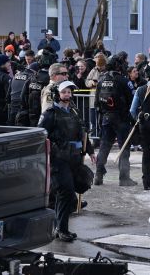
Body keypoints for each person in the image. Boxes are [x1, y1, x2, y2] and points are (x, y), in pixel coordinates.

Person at [39, 81, 95, 242]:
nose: (67, 95)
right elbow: (41, 135)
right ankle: (61, 229)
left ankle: (58, 227)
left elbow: (83, 133)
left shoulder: (74, 112)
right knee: (66, 192)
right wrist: (52, 153)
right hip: (58, 160)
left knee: (70, 191)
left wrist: (90, 151)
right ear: (57, 94)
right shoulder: (50, 114)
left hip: (74, 158)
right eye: (64, 92)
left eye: (69, 92)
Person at [94, 55, 137, 187]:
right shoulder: (124, 81)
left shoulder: (101, 80)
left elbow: (96, 102)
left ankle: (98, 175)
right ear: (119, 66)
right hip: (121, 119)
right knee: (124, 148)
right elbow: (132, 100)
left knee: (104, 146)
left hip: (106, 118)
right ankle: (124, 178)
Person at [24, 51, 54, 126]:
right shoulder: (52, 79)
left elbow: (23, 96)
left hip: (32, 113)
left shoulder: (32, 78)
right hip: (46, 114)